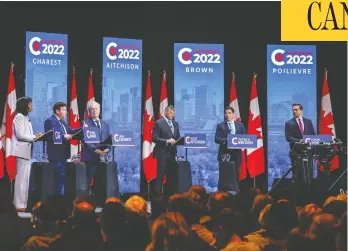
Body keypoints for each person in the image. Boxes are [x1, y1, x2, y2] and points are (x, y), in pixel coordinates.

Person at [12, 97, 43, 212]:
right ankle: (19, 204)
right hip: (21, 152)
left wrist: (35, 136)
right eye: (30, 104)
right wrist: (35, 137)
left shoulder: (25, 117)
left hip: (26, 152)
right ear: (24, 105)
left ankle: (23, 204)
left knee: (25, 180)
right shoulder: (19, 117)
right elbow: (20, 135)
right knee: (21, 180)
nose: (31, 106)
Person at [44, 102, 80, 195]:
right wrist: (64, 136)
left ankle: (60, 197)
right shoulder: (50, 121)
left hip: (64, 153)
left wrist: (82, 129)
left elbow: (71, 131)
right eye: (64, 110)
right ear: (57, 111)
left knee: (62, 176)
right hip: (56, 154)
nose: (66, 112)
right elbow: (51, 136)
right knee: (57, 177)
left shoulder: (63, 121)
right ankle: (57, 198)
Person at [215, 106, 246, 193]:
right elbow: (216, 139)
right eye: (226, 113)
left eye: (229, 113)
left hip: (236, 154)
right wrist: (227, 140)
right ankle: (221, 192)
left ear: (233, 114)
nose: (227, 115)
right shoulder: (220, 126)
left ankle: (236, 191)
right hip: (224, 154)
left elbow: (245, 138)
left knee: (236, 173)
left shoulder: (240, 125)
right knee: (224, 174)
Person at [152, 105, 181, 197]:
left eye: (174, 113)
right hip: (162, 153)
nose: (172, 115)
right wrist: (167, 141)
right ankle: (157, 197)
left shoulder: (175, 124)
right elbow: (154, 138)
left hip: (172, 153)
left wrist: (179, 141)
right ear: (166, 112)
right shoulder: (159, 123)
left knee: (171, 176)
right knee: (160, 175)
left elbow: (177, 137)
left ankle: (169, 196)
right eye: (171, 113)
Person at [81, 101, 111, 191]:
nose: (94, 111)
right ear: (89, 111)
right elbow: (85, 140)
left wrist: (108, 149)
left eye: (96, 109)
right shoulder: (85, 123)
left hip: (103, 158)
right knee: (87, 182)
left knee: (102, 182)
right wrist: (95, 150)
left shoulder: (105, 124)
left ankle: (101, 201)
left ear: (99, 110)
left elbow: (108, 139)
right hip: (90, 157)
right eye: (92, 109)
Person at [285, 104, 315, 183]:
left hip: (308, 152)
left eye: (296, 110)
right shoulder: (288, 123)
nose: (294, 111)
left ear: (301, 110)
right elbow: (288, 137)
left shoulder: (308, 122)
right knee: (297, 174)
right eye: (293, 110)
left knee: (309, 173)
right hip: (295, 152)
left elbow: (313, 135)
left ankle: (309, 191)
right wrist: (300, 141)